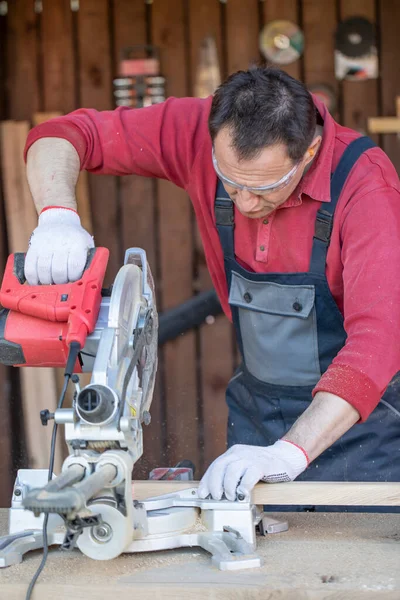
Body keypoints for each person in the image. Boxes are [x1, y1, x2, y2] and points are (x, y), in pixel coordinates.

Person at [23, 67, 400, 505]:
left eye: (265, 188)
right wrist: (57, 215)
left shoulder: (365, 183)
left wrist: (289, 453)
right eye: (230, 181)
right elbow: (62, 135)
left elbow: (380, 336)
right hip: (257, 414)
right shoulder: (197, 131)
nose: (245, 203)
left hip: (361, 429)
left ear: (310, 150)